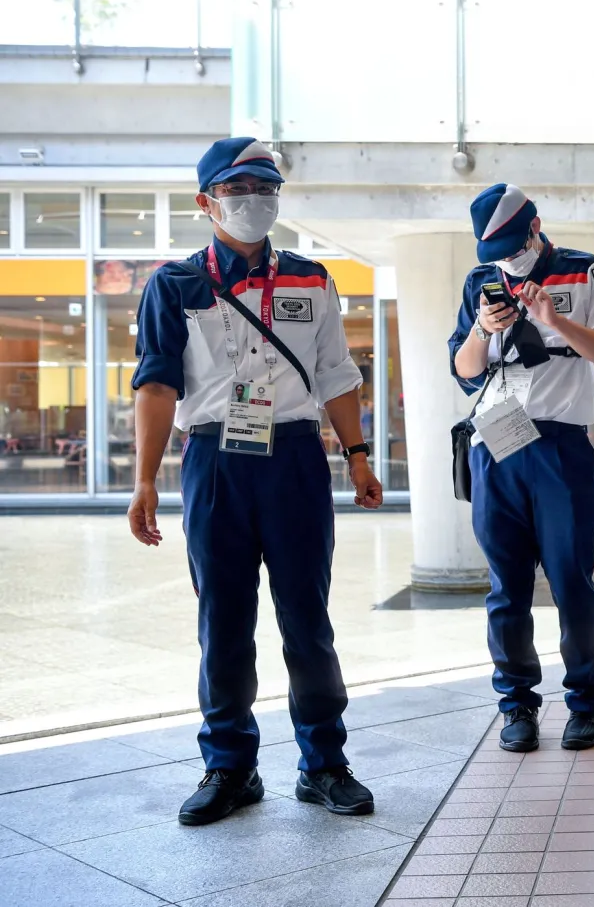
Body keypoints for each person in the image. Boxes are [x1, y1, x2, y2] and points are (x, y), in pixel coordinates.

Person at [127, 137, 383, 825]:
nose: (253, 201)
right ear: (205, 200)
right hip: (214, 463)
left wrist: (357, 453)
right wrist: (145, 479)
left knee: (307, 619)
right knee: (224, 622)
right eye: (237, 190)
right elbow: (156, 384)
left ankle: (324, 762)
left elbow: (335, 374)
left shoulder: (310, 277)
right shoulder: (173, 285)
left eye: (265, 188)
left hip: (296, 458)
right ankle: (230, 765)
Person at [449, 184, 594, 753]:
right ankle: (517, 706)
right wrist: (483, 329)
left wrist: (553, 320)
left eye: (512, 244)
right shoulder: (481, 284)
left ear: (535, 227)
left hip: (558, 444)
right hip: (496, 443)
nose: (506, 258)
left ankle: (586, 703)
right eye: (494, 250)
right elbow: (462, 368)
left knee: (571, 580)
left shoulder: (584, 273)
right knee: (506, 586)